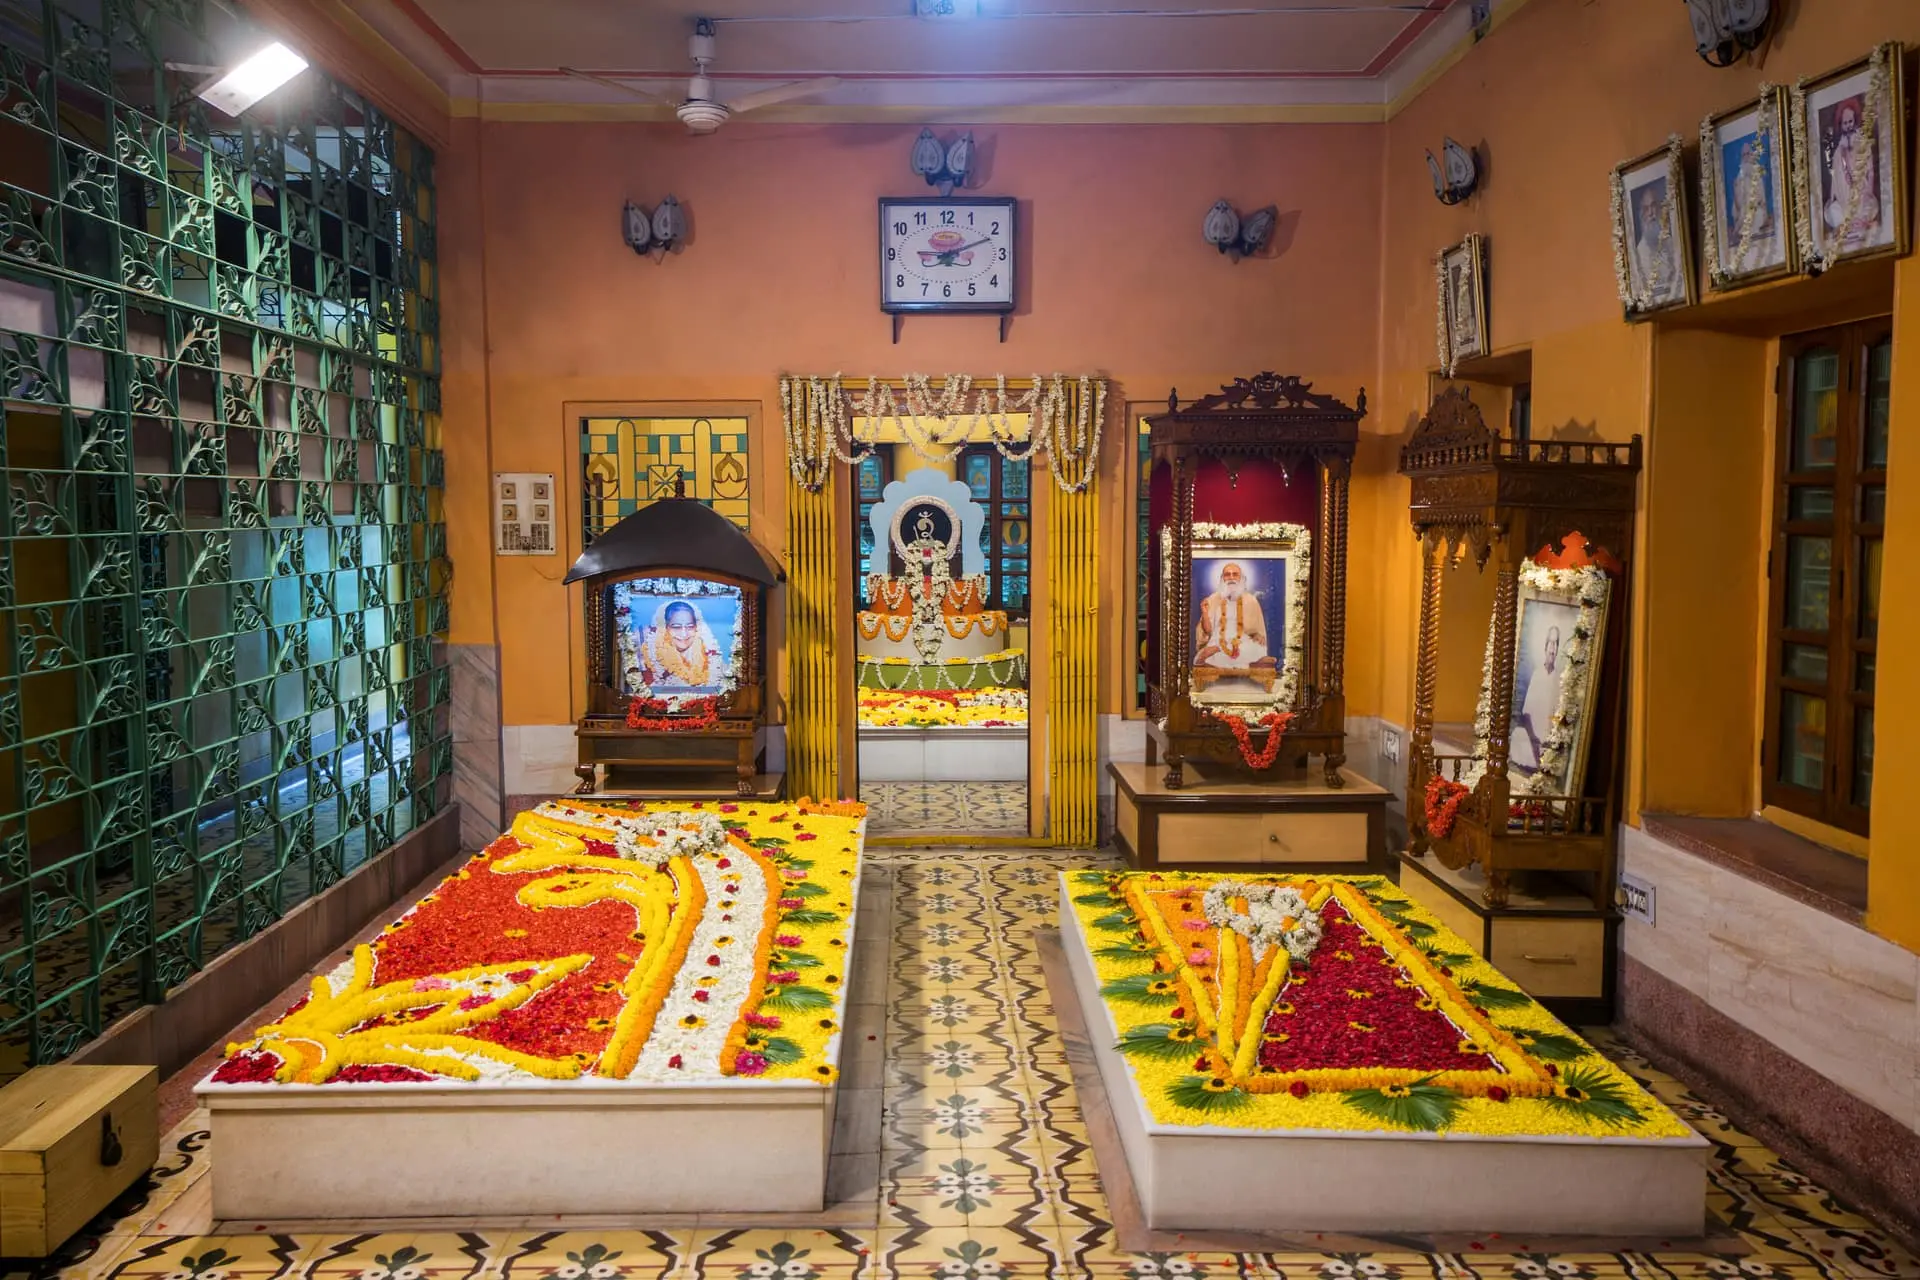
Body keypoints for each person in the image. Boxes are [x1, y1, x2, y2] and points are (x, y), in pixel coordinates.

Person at [1823, 99, 1880, 246]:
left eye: (1850, 122)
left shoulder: (1862, 144)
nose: (1848, 126)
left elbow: (1870, 171)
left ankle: (1858, 220)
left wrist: (1867, 191)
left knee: (1870, 207)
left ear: (1855, 121)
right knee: (1833, 211)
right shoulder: (1838, 151)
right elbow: (1835, 178)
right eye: (1845, 123)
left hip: (1861, 193)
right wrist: (1835, 196)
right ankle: (1849, 221)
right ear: (1841, 125)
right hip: (1844, 198)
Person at [1194, 561, 1268, 669]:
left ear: (1241, 578)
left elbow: (1257, 629)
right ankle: (1212, 653)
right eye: (1227, 574)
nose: (1231, 578)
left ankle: (1216, 655)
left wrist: (1258, 635)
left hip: (1243, 641)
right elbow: (1207, 631)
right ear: (1222, 578)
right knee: (1213, 653)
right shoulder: (1213, 599)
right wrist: (1205, 613)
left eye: (1235, 574)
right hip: (1218, 641)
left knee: (1255, 649)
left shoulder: (1251, 600)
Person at [1511, 624, 1563, 773]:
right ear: (1545, 647)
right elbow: (1526, 714)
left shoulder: (1559, 679)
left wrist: (1550, 738)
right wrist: (1534, 738)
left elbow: (1559, 715)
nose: (1553, 648)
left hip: (1549, 736)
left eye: (1556, 643)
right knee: (1517, 737)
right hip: (1532, 736)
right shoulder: (1537, 674)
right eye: (1550, 643)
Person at [642, 598, 723, 688]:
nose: (684, 634)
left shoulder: (713, 661)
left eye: (690, 626)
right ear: (665, 628)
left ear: (696, 628)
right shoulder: (650, 663)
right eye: (676, 627)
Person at [1633, 184, 1678, 303]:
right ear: (1641, 214)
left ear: (1660, 208)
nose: (1651, 213)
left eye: (1653, 205)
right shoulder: (1638, 254)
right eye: (1645, 208)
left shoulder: (1672, 243)